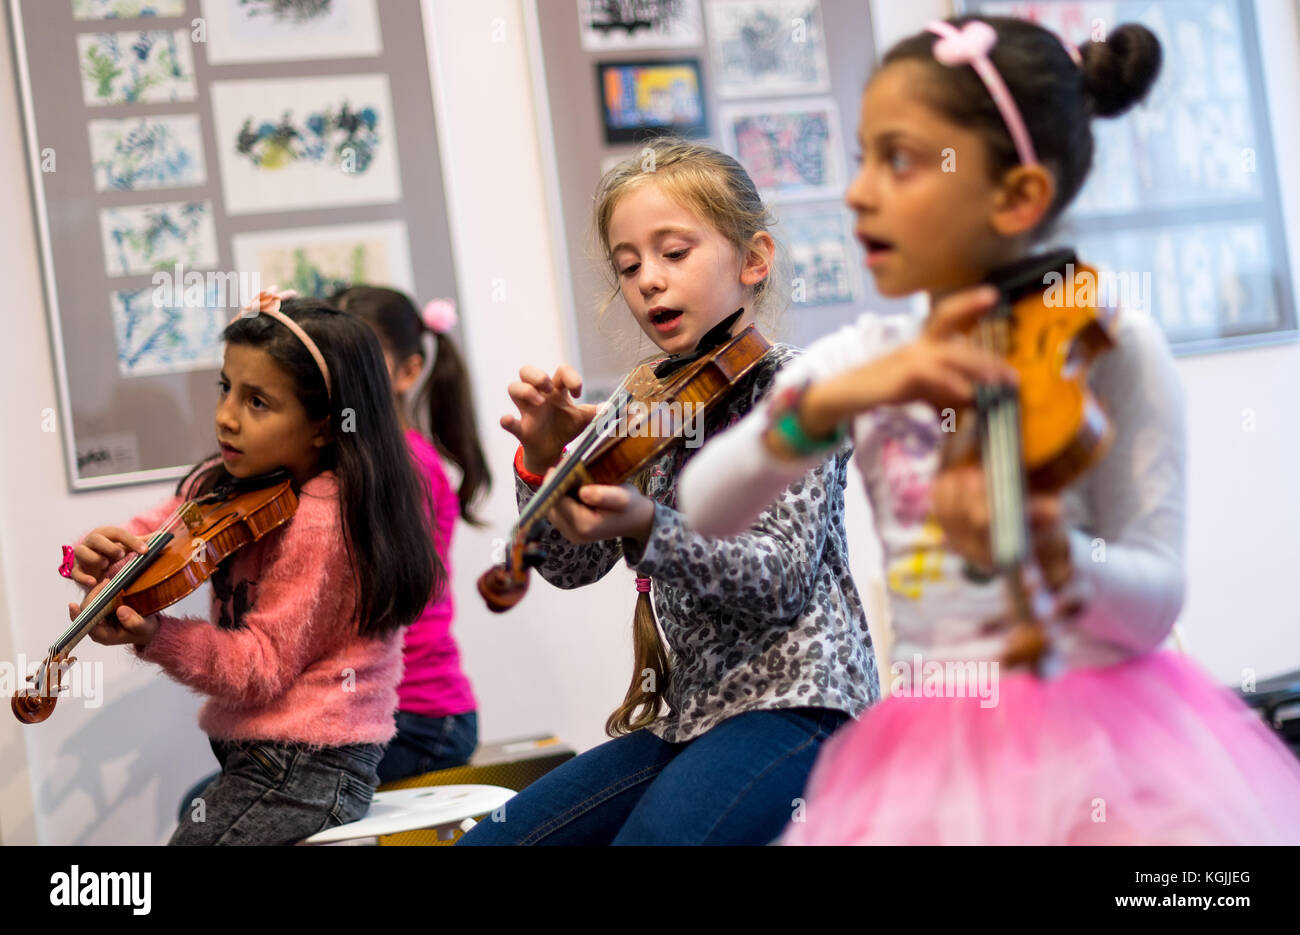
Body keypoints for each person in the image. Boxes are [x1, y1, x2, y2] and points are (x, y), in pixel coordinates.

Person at [677, 16, 1300, 843]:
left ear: (1017, 196)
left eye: (900, 160)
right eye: (862, 158)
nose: (858, 191)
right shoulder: (868, 359)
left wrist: (1058, 559)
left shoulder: (1112, 345)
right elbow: (705, 503)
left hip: (1109, 753)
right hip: (929, 750)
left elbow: (1153, 599)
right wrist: (825, 406)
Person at [456, 138, 878, 846]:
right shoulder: (642, 395)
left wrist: (650, 525)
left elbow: (776, 579)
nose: (649, 279)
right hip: (689, 716)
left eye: (673, 253)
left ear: (753, 258)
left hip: (802, 705)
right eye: (629, 265)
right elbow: (569, 565)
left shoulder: (798, 389)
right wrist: (541, 458)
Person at [66, 291, 441, 845]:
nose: (225, 416)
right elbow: (155, 532)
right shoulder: (228, 482)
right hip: (261, 756)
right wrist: (96, 555)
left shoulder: (322, 519)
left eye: (257, 401)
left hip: (311, 764)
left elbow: (259, 668)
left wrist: (156, 636)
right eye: (226, 388)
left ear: (322, 425)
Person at [332, 285, 488, 782]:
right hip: (379, 712)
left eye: (364, 362)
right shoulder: (350, 461)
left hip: (421, 720)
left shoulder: (406, 465)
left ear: (410, 372)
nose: (344, 379)